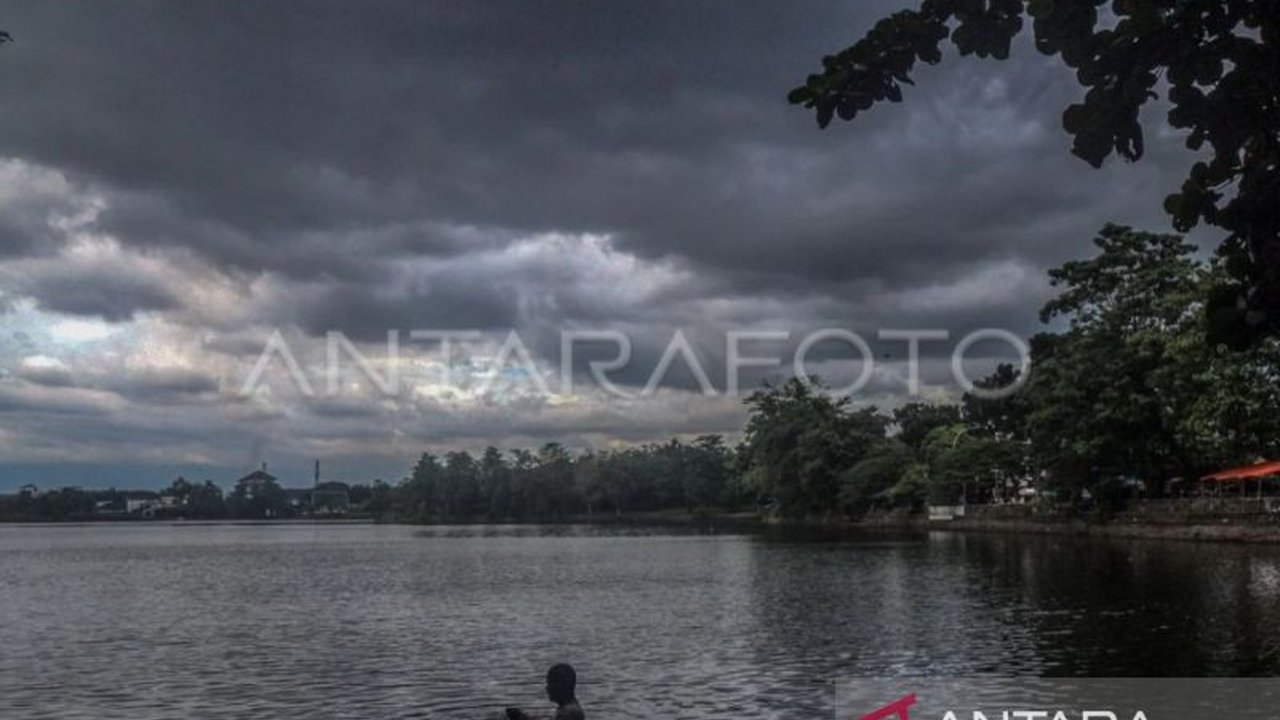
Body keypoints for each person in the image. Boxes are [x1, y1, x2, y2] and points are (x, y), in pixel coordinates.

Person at [506, 663, 584, 720]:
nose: (547, 688)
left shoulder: (571, 713)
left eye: (550, 684)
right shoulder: (566, 709)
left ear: (562, 686)